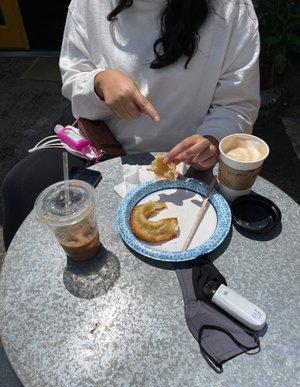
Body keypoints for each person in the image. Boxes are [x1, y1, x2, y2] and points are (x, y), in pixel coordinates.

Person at [2, 0, 260, 249]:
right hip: (104, 150)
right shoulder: (88, 4)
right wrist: (100, 82)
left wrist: (213, 138)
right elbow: (73, 78)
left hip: (192, 165)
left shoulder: (232, 9)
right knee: (21, 186)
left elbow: (237, 103)